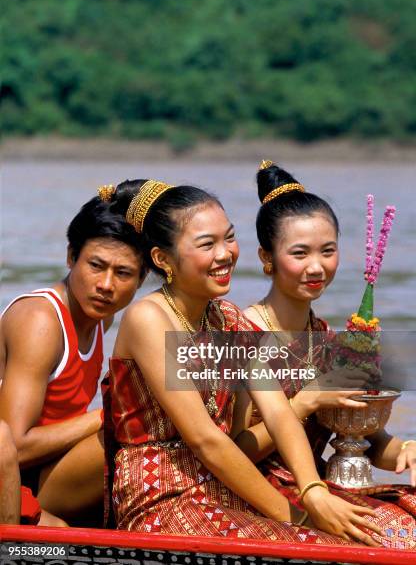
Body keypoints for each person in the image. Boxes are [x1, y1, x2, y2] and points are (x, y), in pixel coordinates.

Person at [105, 178, 382, 546]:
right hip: (163, 493)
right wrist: (298, 518)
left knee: (373, 533)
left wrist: (313, 489)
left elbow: (279, 412)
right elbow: (205, 440)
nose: (226, 254)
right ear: (162, 259)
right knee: (321, 544)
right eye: (207, 245)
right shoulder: (148, 318)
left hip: (221, 483)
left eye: (229, 238)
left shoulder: (228, 320)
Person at [235, 160, 416, 549]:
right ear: (267, 258)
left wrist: (406, 449)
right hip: (259, 492)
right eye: (299, 253)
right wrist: (307, 401)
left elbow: (363, 437)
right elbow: (234, 452)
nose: (316, 267)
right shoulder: (242, 335)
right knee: (398, 537)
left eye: (327, 251)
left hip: (319, 481)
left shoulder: (327, 339)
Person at [0, 181, 147, 526]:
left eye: (123, 273)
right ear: (70, 257)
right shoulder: (40, 321)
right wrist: (108, 414)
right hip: (14, 478)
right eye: (96, 265)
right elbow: (13, 446)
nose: (106, 285)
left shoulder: (100, 315)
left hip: (49, 468)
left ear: (141, 280)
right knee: (130, 424)